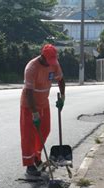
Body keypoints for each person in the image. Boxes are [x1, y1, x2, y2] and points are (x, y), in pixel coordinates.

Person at [20, 44, 65, 176]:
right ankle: (29, 165)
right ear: (42, 56)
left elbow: (61, 80)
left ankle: (37, 158)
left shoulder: (54, 64)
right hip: (29, 105)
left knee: (45, 130)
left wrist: (62, 96)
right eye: (48, 61)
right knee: (28, 135)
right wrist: (34, 113)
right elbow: (29, 92)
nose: (50, 64)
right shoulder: (32, 68)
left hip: (43, 103)